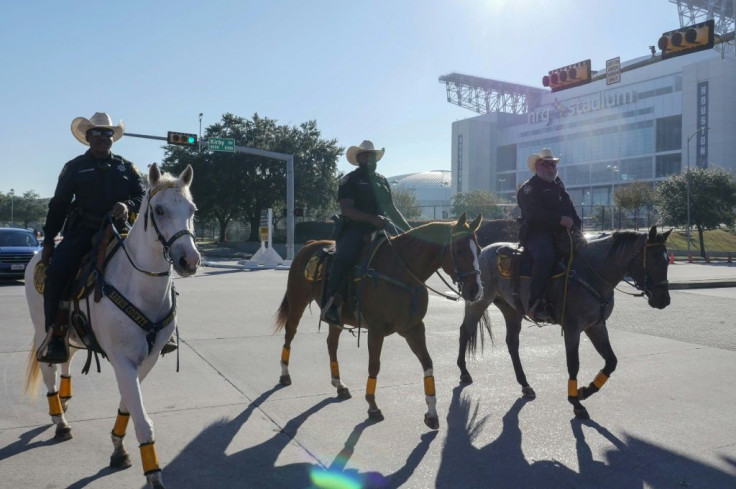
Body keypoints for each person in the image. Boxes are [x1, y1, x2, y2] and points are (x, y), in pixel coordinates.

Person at [38, 112, 146, 364]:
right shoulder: (74, 167)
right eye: (96, 133)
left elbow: (143, 199)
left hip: (121, 232)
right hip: (84, 232)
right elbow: (59, 206)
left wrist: (127, 204)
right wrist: (48, 240)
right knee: (57, 273)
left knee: (157, 263)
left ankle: (164, 328)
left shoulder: (127, 167)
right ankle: (55, 334)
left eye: (107, 133)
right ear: (87, 137)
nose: (102, 138)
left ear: (113, 138)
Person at [320, 140, 411, 325]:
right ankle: (332, 303)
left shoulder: (382, 180)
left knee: (406, 251)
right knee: (343, 257)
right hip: (355, 228)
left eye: (372, 156)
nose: (369, 159)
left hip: (382, 226)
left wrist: (410, 230)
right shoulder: (350, 180)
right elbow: (347, 209)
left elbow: (391, 208)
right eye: (365, 155)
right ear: (359, 158)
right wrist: (371, 219)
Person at [517, 148, 581, 322]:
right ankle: (536, 303)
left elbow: (570, 209)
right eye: (546, 164)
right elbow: (533, 213)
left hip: (561, 232)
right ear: (537, 167)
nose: (550, 168)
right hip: (537, 233)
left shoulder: (558, 185)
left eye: (552, 164)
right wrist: (559, 220)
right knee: (545, 257)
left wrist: (577, 225)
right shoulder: (529, 188)